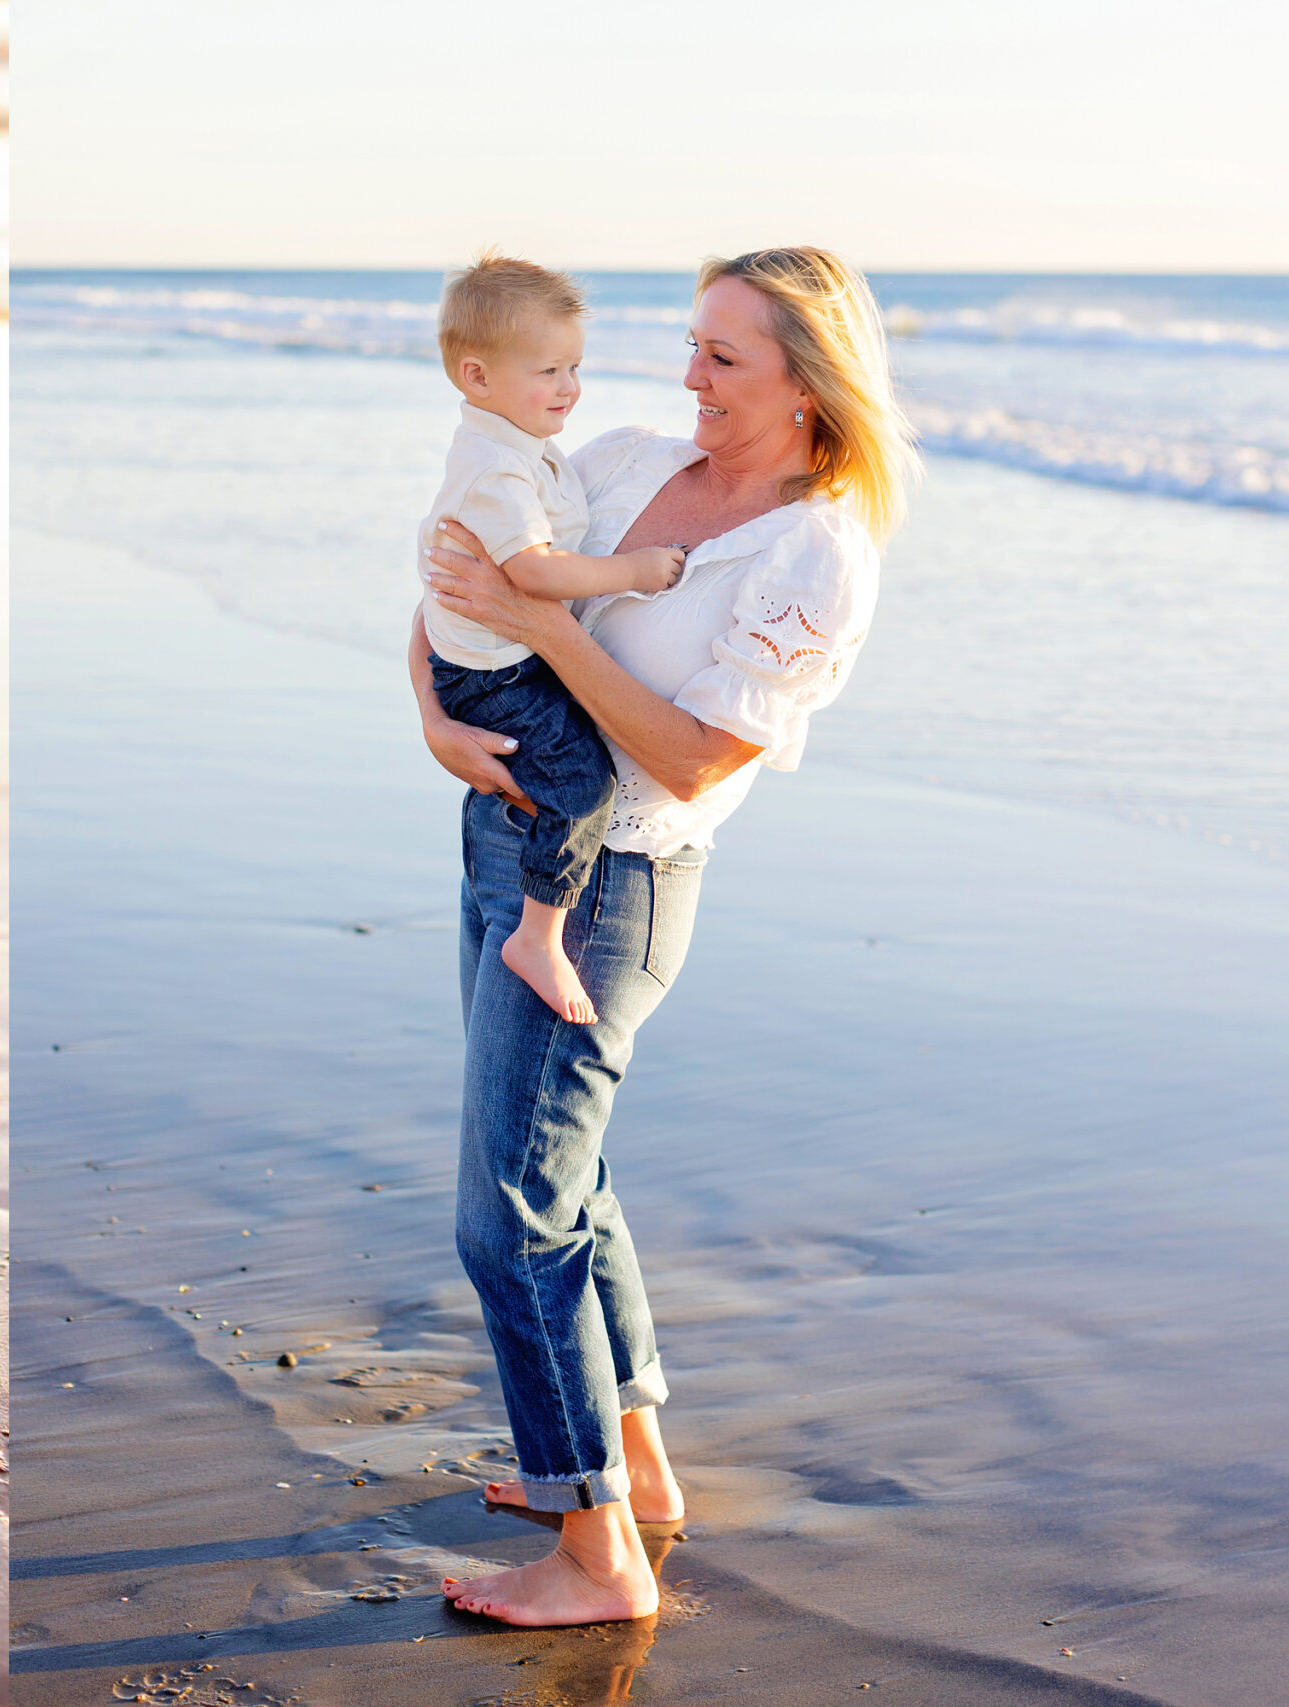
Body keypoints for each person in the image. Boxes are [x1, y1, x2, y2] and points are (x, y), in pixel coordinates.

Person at [412, 247, 918, 1627]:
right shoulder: (626, 460)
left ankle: (594, 1558)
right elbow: (456, 573)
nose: (685, 376)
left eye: (724, 359)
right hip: (500, 842)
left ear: (808, 387)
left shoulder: (818, 552)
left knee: (508, 1219)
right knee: (563, 1182)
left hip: (619, 884)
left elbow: (693, 758)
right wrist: (431, 707)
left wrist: (549, 629)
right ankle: (633, 1475)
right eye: (694, 345)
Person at [412, 251, 685, 1024]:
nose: (569, 388)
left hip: (492, 660)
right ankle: (539, 935)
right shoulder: (496, 468)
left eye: (574, 368)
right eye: (548, 371)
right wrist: (630, 568)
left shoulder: (518, 445)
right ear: (477, 377)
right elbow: (532, 572)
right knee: (583, 782)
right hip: (493, 677)